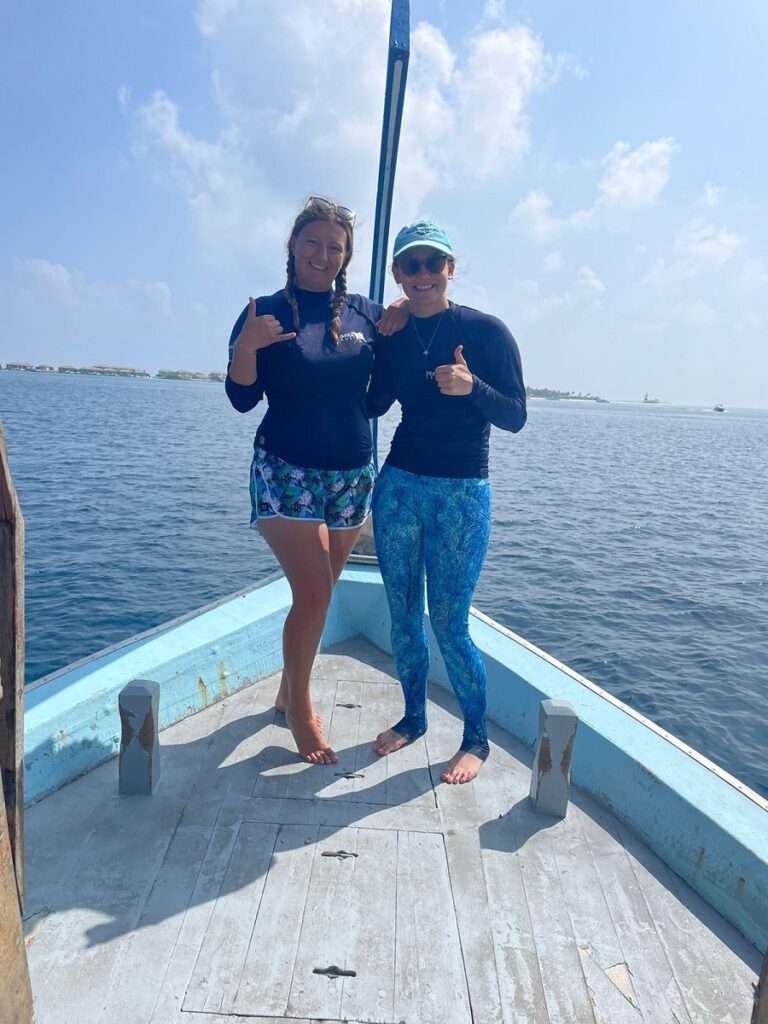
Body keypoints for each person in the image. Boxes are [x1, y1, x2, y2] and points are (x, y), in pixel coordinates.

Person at [225, 196, 405, 765]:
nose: (323, 255)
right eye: (313, 243)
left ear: (345, 255)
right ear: (293, 247)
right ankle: (300, 710)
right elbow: (240, 397)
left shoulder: (367, 315)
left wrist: (399, 328)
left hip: (351, 475)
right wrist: (246, 346)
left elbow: (378, 397)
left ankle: (284, 690)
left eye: (335, 246)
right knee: (317, 592)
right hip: (284, 470)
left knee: (318, 593)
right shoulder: (266, 311)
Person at [367, 219, 527, 784]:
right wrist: (376, 337)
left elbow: (515, 416)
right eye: (412, 265)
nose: (424, 274)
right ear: (398, 275)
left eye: (434, 263)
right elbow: (373, 405)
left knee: (451, 624)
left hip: (462, 494)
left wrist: (472, 387)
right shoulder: (393, 330)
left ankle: (475, 739)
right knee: (404, 616)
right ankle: (413, 718)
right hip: (400, 489)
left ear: (451, 269)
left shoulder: (487, 333)